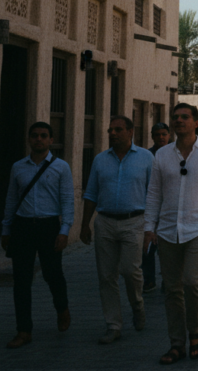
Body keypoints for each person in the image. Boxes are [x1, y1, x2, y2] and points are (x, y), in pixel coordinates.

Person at [144, 103, 198, 364]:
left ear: (196, 122)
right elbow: (154, 193)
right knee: (172, 288)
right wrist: (149, 227)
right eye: (175, 117)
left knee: (193, 282)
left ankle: (195, 332)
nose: (179, 121)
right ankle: (176, 343)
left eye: (185, 117)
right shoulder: (162, 155)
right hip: (168, 229)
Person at [80, 116, 154, 344]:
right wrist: (85, 224)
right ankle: (113, 324)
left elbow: (153, 194)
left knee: (130, 271)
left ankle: (137, 305)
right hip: (105, 222)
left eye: (118, 129)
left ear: (130, 131)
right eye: (110, 129)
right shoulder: (100, 160)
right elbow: (91, 193)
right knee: (106, 275)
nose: (112, 133)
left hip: (134, 221)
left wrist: (152, 227)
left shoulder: (146, 158)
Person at [0, 122, 74, 349]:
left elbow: (67, 200)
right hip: (23, 227)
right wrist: (6, 229)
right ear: (29, 139)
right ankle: (24, 330)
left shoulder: (61, 167)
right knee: (21, 280)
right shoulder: (18, 167)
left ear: (51, 140)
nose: (39, 139)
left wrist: (64, 230)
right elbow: (12, 199)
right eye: (34, 136)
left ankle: (62, 308)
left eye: (43, 136)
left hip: (49, 226)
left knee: (53, 274)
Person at [144, 123, 170, 293]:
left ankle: (168, 281)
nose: (161, 137)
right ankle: (149, 281)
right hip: (151, 208)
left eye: (164, 134)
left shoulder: (174, 154)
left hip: (168, 209)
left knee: (167, 251)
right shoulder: (147, 156)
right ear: (152, 136)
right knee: (147, 249)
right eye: (157, 134)